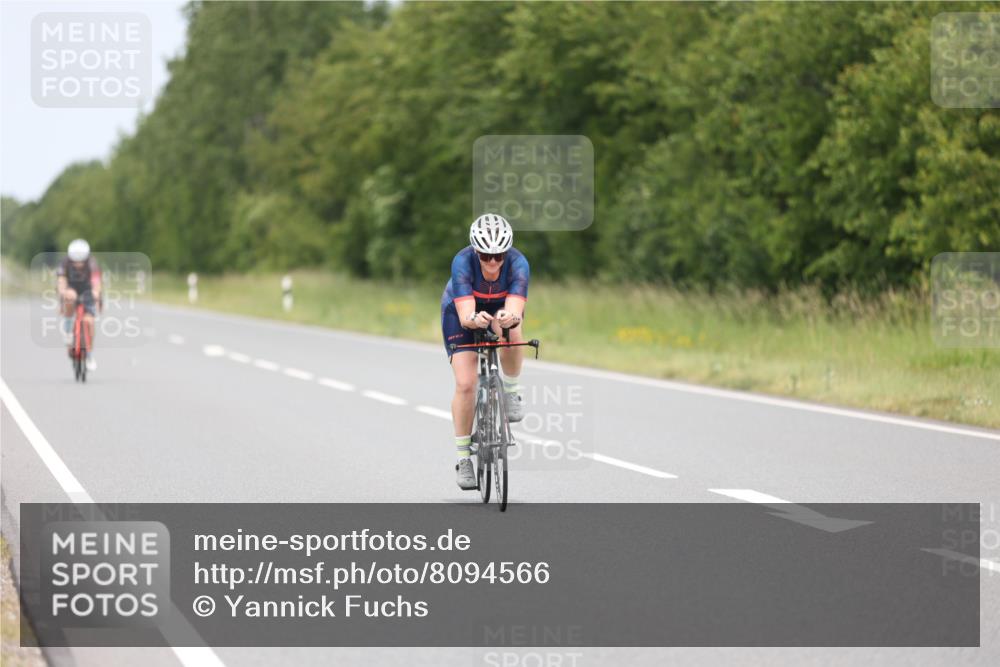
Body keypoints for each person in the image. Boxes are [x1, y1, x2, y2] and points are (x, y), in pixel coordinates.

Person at [441, 214, 529, 490]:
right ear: (475, 251)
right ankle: (464, 458)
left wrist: (508, 317)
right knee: (466, 384)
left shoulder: (518, 263)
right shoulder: (462, 261)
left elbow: (515, 308)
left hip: (499, 308)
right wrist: (473, 319)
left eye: (498, 256)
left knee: (513, 330)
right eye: (485, 256)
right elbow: (466, 314)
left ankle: (511, 392)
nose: (492, 262)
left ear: (507, 253)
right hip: (461, 311)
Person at [56, 239, 101, 371]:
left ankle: (89, 354)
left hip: (87, 291)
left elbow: (96, 282)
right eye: (75, 261)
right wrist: (63, 292)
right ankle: (68, 332)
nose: (78, 264)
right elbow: (61, 281)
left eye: (81, 261)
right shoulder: (65, 263)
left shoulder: (92, 263)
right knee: (70, 296)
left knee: (89, 321)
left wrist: (96, 293)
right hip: (71, 289)